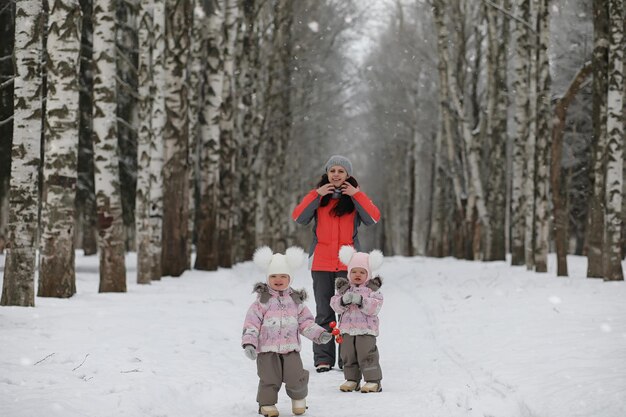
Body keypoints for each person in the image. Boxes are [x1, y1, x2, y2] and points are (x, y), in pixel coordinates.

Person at [292, 155, 381, 372]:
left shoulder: (354, 198)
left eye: (341, 171)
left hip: (348, 264)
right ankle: (323, 358)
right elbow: (299, 217)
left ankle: (346, 358)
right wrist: (316, 194)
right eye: (333, 171)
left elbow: (373, 218)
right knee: (324, 312)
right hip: (321, 262)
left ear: (347, 175)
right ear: (327, 173)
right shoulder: (319, 197)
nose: (336, 175)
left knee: (348, 311)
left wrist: (356, 194)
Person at [242, 246, 333, 417]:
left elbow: (306, 322)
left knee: (296, 375)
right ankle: (266, 404)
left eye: (283, 276)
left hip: (290, 348)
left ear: (289, 278)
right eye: (274, 276)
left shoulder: (295, 300)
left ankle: (298, 399)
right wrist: (249, 342)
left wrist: (319, 334)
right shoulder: (262, 301)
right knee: (269, 378)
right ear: (268, 277)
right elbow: (252, 323)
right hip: (267, 351)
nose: (278, 279)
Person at [330, 245, 384, 393]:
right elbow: (334, 304)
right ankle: (352, 379)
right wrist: (342, 301)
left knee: (366, 353)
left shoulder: (372, 290)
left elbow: (375, 307)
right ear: (349, 273)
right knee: (348, 354)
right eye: (354, 271)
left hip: (366, 330)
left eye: (362, 272)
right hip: (347, 330)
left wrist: (361, 301)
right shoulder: (344, 289)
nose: (357, 275)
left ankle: (373, 380)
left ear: (368, 273)